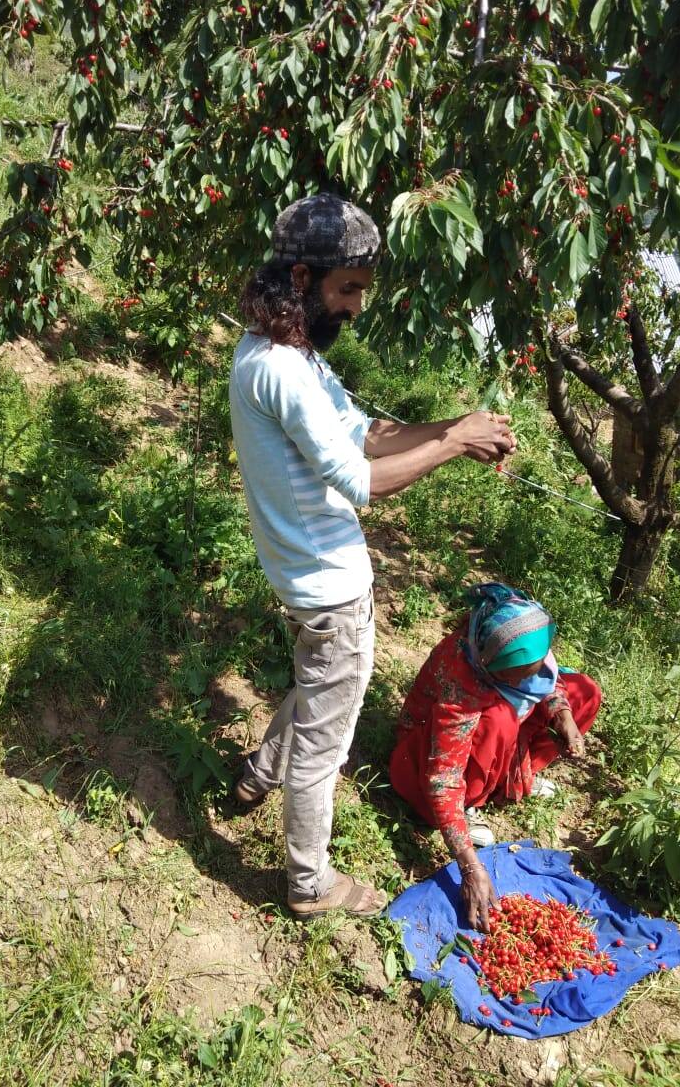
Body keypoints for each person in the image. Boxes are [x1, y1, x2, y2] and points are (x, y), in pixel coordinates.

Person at [228, 192, 517, 921]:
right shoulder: (285, 372)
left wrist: (456, 426)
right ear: (301, 278)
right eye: (347, 288)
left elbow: (365, 434)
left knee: (316, 684)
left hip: (306, 578)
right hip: (328, 588)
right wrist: (452, 448)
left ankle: (258, 773)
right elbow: (361, 481)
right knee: (326, 741)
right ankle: (308, 883)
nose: (356, 307)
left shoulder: (284, 354)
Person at [389, 582, 601, 932]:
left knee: (585, 692)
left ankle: (506, 776)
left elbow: (547, 683)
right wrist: (469, 867)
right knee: (500, 721)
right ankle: (472, 800)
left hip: (490, 726)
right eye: (518, 675)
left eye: (535, 667)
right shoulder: (462, 681)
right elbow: (441, 778)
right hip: (422, 756)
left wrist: (563, 716)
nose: (532, 676)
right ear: (491, 668)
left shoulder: (519, 636)